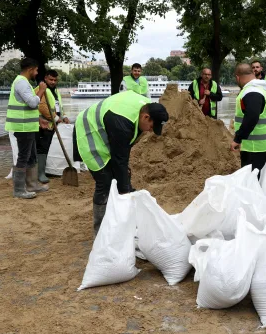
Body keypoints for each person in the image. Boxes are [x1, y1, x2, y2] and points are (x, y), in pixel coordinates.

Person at [73, 91, 169, 236]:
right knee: (104, 181)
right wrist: (125, 191)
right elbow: (119, 159)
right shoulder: (122, 124)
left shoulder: (145, 108)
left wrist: (125, 183)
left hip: (107, 129)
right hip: (90, 131)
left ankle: (117, 221)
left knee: (122, 176)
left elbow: (124, 152)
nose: (150, 131)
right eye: (151, 127)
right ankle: (100, 232)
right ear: (146, 117)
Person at [5, 58, 47, 199]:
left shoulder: (24, 83)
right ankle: (18, 190)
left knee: (31, 155)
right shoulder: (22, 83)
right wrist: (41, 90)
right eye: (36, 70)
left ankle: (32, 185)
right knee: (23, 157)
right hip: (22, 127)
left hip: (28, 126)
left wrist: (38, 119)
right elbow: (32, 103)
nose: (36, 73)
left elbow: (27, 107)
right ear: (30, 69)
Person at [230, 64, 266, 175]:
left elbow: (252, 116)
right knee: (263, 179)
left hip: (254, 147)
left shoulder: (251, 91)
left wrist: (238, 139)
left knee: (252, 182)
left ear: (238, 77)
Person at [35, 70, 71, 184]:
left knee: (50, 148)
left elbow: (59, 106)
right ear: (45, 78)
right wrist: (56, 119)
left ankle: (48, 170)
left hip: (53, 125)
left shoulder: (55, 91)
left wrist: (64, 116)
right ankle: (40, 173)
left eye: (55, 80)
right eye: (51, 79)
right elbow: (42, 107)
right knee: (42, 148)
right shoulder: (40, 90)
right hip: (43, 125)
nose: (53, 82)